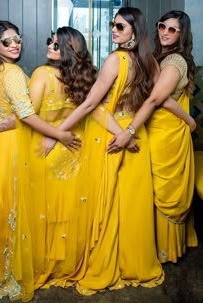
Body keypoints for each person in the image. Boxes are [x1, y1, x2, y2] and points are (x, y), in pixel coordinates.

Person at [51, 7, 165, 294]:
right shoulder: (151, 61)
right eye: (113, 25)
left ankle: (111, 262)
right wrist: (130, 133)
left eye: (120, 27)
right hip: (137, 133)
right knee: (132, 203)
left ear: (134, 32)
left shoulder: (115, 60)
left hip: (112, 135)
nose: (114, 30)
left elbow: (91, 105)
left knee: (114, 201)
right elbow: (152, 103)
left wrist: (58, 132)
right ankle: (135, 264)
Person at [0, 20, 77, 302]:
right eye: (7, 41)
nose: (15, 44)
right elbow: (26, 116)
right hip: (8, 148)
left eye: (18, 39)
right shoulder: (13, 73)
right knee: (7, 207)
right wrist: (60, 135)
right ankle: (2, 273)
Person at [108, 10, 198, 263]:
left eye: (173, 30)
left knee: (161, 188)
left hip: (165, 134)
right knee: (148, 187)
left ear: (182, 35)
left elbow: (158, 99)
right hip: (156, 128)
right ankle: (149, 245)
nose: (165, 33)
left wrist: (129, 130)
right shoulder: (158, 56)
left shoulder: (174, 62)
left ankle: (163, 249)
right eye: (162, 26)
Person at [27, 27, 97, 288]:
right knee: (67, 210)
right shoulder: (83, 77)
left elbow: (28, 115)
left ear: (68, 50)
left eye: (56, 45)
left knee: (45, 210)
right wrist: (62, 135)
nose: (50, 47)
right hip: (75, 150)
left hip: (46, 148)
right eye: (50, 41)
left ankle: (46, 263)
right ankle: (64, 262)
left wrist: (54, 135)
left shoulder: (41, 74)